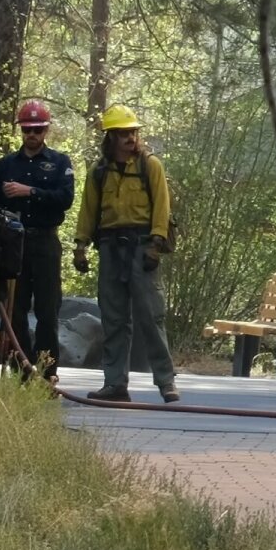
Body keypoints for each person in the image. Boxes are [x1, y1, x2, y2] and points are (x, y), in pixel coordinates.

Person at [73, 104, 178, 404]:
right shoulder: (99, 172)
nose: (130, 138)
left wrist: (155, 244)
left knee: (151, 316)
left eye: (133, 132)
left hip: (142, 247)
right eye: (123, 133)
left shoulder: (150, 166)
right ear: (110, 138)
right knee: (114, 319)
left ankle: (166, 382)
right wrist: (81, 247)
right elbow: (88, 211)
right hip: (110, 249)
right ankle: (115, 383)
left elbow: (162, 206)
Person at [0, 97, 75, 378]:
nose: (32, 135)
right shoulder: (6, 165)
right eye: (27, 129)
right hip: (14, 244)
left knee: (47, 311)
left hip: (45, 242)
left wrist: (30, 192)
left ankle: (48, 371)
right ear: (20, 130)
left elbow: (65, 199)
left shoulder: (60, 162)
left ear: (46, 130)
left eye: (37, 130)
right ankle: (22, 369)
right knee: (15, 310)